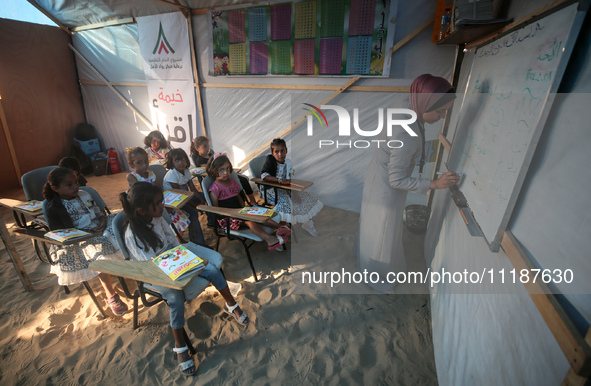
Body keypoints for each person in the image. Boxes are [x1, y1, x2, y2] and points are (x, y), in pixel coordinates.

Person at [120, 182, 249, 376]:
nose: (162, 206)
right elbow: (148, 267)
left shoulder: (156, 217)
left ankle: (231, 304)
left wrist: (183, 258)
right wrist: (176, 268)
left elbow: (172, 241)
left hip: (175, 258)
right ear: (141, 210)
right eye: (158, 203)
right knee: (175, 299)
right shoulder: (133, 236)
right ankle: (180, 345)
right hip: (156, 273)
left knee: (213, 271)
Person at [356, 74, 460, 292]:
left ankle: (373, 267)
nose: (442, 117)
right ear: (426, 103)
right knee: (383, 233)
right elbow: (396, 179)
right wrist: (434, 184)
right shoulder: (406, 134)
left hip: (379, 173)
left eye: (445, 112)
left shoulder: (409, 103)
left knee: (376, 229)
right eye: (440, 111)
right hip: (387, 187)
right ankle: (379, 278)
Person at [43, 167, 128, 316]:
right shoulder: (55, 207)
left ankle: (139, 269)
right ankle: (110, 294)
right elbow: (60, 233)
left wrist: (102, 219)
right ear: (55, 188)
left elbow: (97, 210)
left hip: (99, 226)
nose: (76, 186)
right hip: (79, 239)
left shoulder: (85, 194)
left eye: (76, 182)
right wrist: (86, 233)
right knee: (99, 251)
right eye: (69, 184)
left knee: (125, 227)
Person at [206, 153, 290, 250]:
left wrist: (246, 209)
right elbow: (216, 210)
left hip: (239, 212)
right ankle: (270, 239)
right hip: (227, 218)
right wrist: (238, 214)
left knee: (259, 215)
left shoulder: (232, 182)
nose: (226, 173)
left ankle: (280, 227)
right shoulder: (215, 188)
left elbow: (238, 197)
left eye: (228, 169)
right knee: (249, 221)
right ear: (213, 171)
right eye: (221, 170)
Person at [260, 138, 323, 237]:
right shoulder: (270, 160)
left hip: (285, 188)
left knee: (305, 194)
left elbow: (291, 177)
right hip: (271, 190)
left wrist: (295, 192)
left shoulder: (289, 163)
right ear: (272, 153)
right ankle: (280, 231)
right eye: (276, 152)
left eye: (282, 151)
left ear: (286, 150)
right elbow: (264, 175)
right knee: (286, 201)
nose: (280, 154)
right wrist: (279, 180)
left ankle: (308, 223)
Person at [191, 136, 257, 206]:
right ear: (197, 148)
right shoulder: (199, 159)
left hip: (222, 174)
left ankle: (252, 200)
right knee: (240, 180)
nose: (208, 148)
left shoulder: (211, 155)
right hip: (214, 177)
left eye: (208, 146)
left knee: (243, 179)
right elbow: (208, 168)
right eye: (205, 147)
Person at [163, 149, 207, 246]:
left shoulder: (186, 171)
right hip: (175, 203)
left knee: (206, 196)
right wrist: (195, 204)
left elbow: (192, 188)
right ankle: (197, 242)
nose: (181, 163)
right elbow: (180, 196)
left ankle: (212, 222)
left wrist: (201, 200)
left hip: (185, 198)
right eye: (177, 160)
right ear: (172, 162)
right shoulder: (172, 175)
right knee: (193, 213)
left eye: (183, 159)